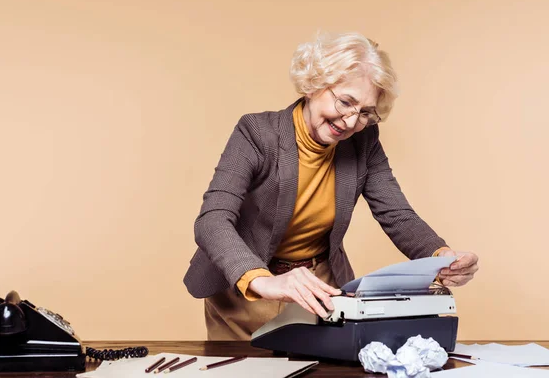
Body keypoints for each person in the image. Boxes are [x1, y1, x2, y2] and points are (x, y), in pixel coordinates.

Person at [183, 32, 479, 341]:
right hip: (246, 286)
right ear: (313, 84)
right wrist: (263, 281)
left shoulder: (363, 142)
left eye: (365, 112)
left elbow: (397, 215)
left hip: (319, 288)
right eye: (346, 102)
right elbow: (212, 220)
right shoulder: (257, 132)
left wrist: (443, 257)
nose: (351, 122)